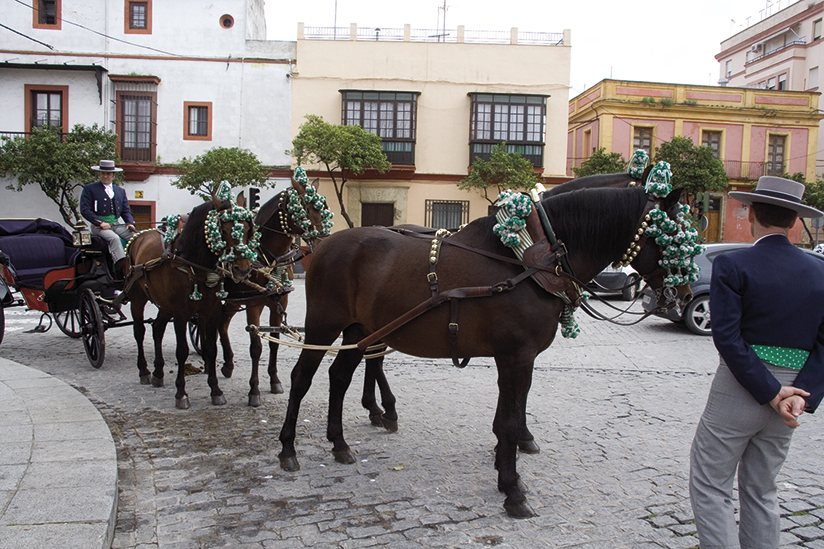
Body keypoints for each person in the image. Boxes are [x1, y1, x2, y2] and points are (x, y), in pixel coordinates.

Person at [689, 175, 824, 548]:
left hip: (741, 387)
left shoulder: (734, 265)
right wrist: (801, 397)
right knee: (763, 489)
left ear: (750, 214)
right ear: (795, 221)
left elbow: (727, 338)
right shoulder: (821, 271)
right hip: (795, 391)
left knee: (710, 483)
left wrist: (770, 391)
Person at [80, 160, 136, 276]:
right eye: (103, 173)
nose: (105, 176)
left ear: (113, 175)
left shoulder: (120, 191)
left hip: (116, 224)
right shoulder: (90, 189)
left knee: (136, 236)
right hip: (99, 227)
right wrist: (100, 222)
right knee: (114, 239)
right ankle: (124, 268)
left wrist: (129, 223)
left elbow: (126, 210)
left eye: (108, 174)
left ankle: (137, 262)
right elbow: (85, 210)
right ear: (99, 174)